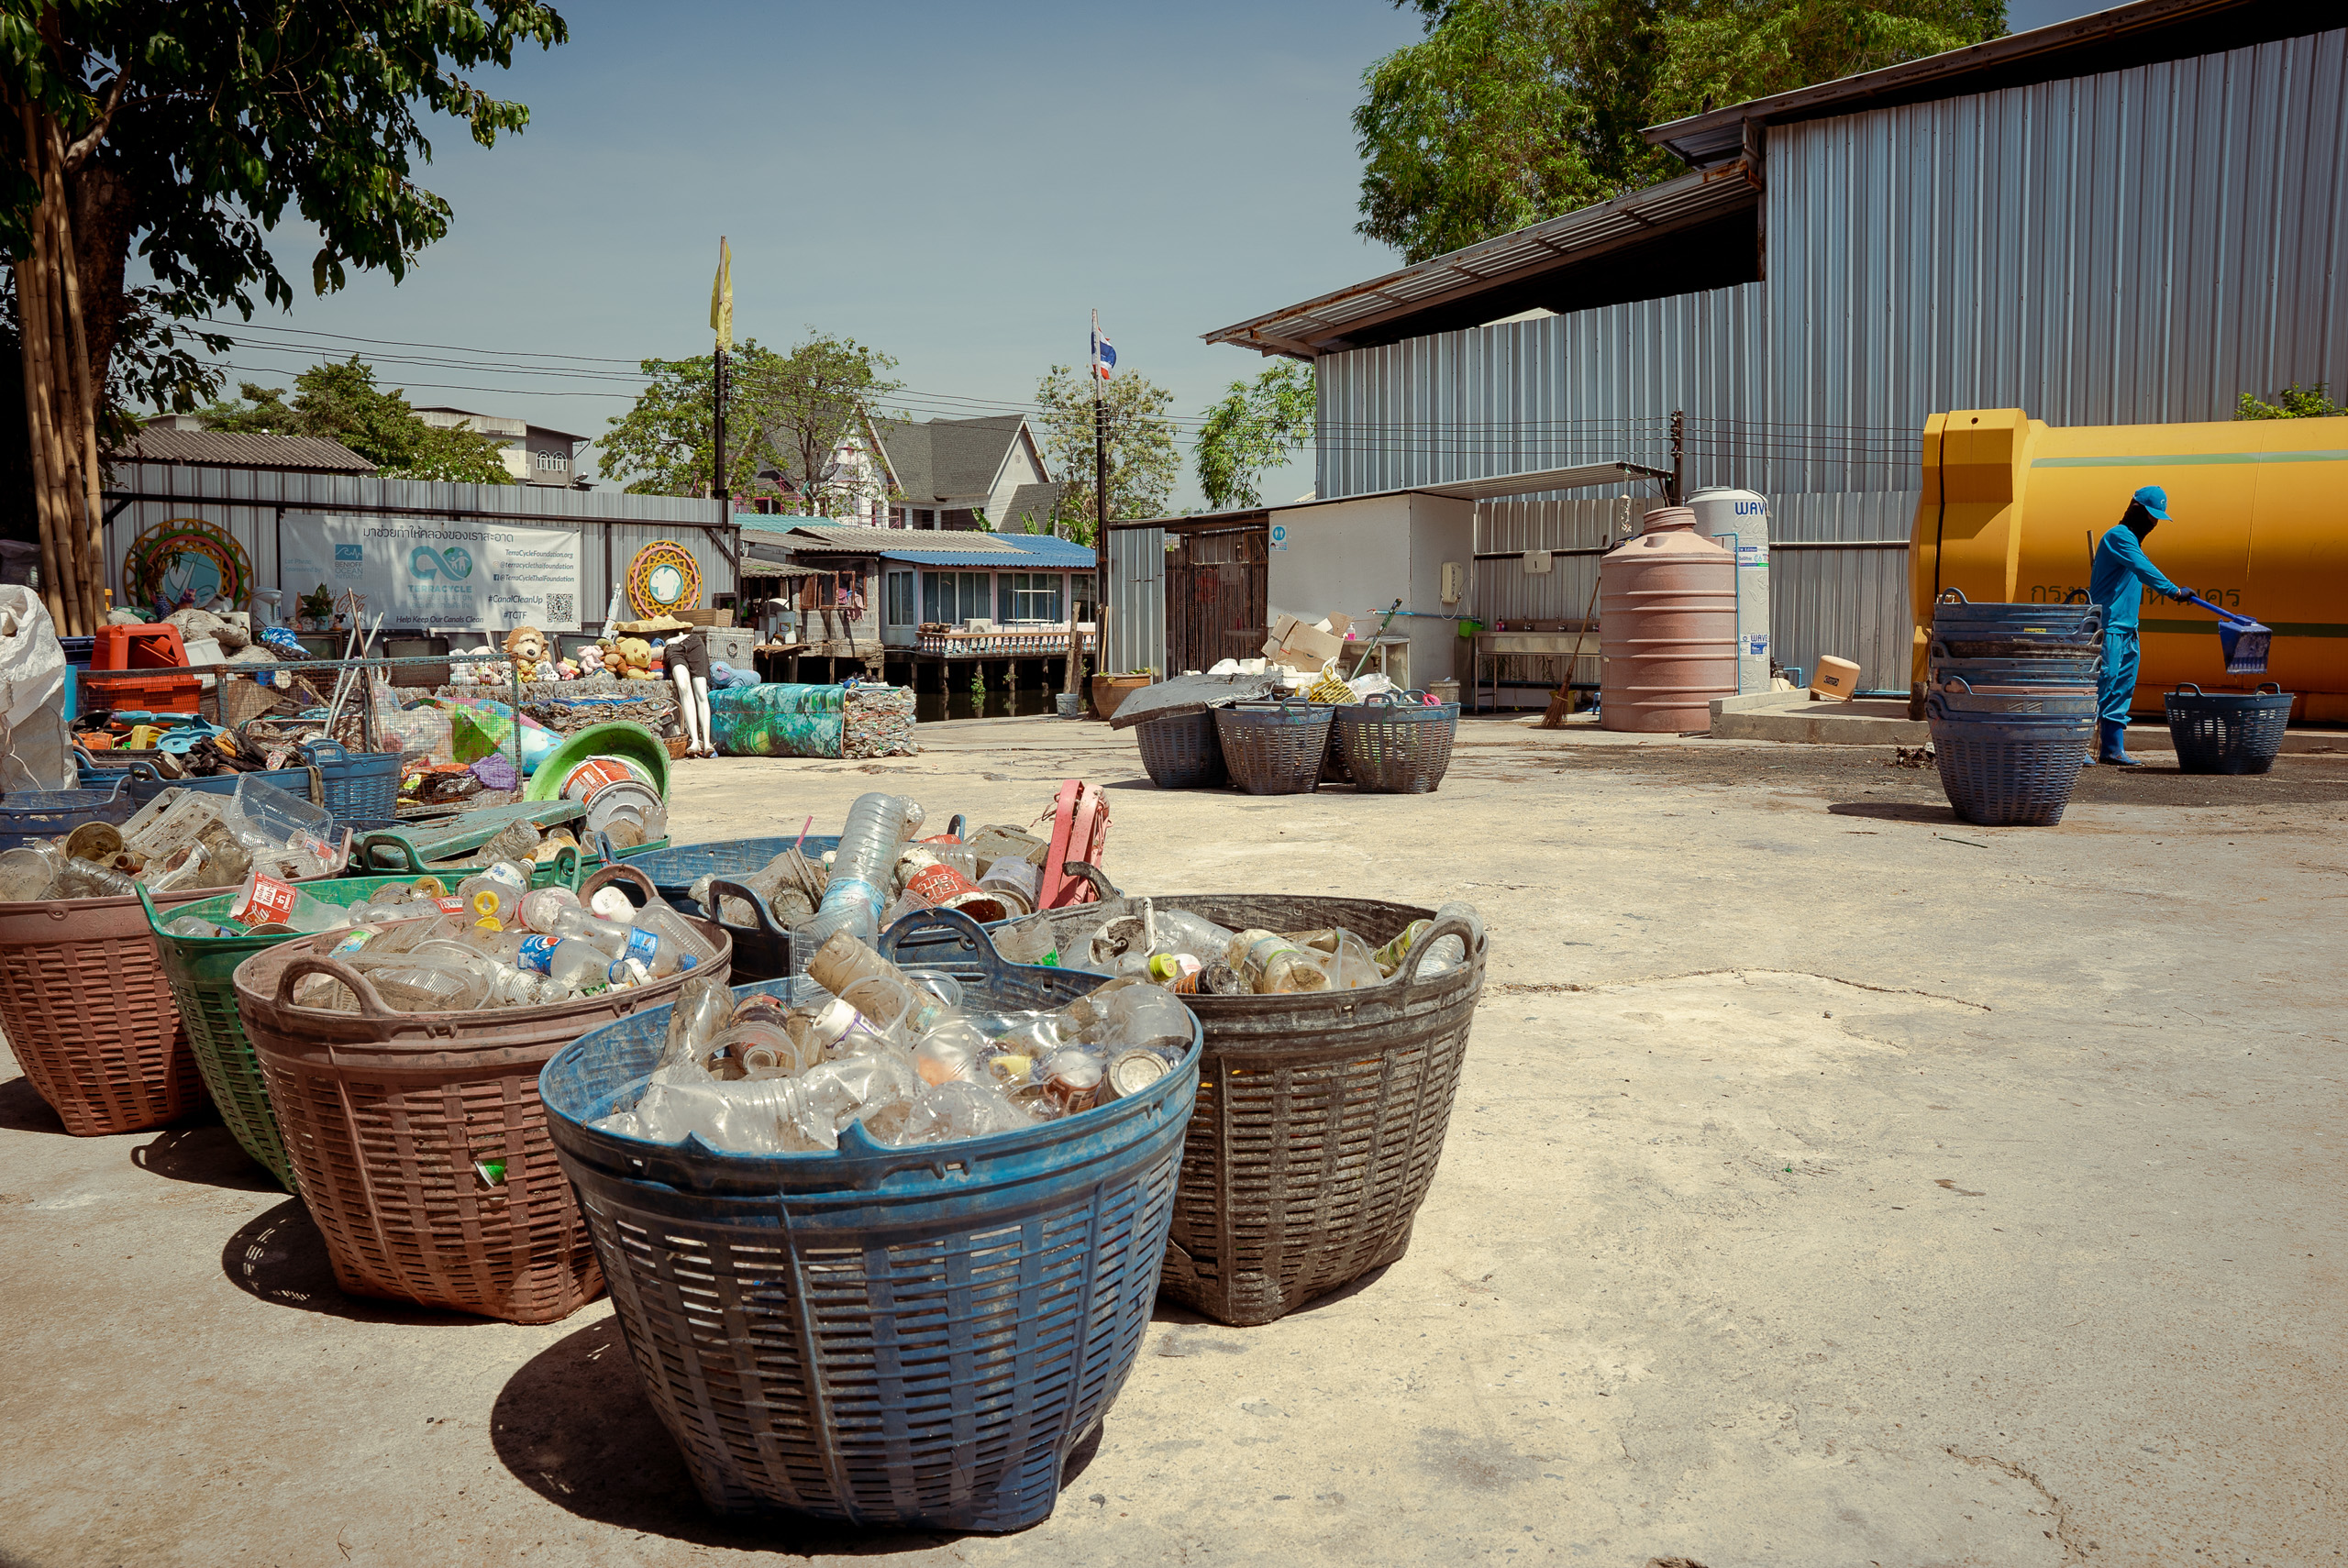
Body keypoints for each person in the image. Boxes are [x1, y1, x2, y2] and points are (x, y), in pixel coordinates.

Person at [2087, 484, 2190, 767]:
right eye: (2151, 515)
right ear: (2136, 511)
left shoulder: (2131, 540)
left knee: (2122, 687)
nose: (2154, 523)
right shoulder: (2118, 536)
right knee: (2100, 684)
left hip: (2129, 628)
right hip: (2108, 628)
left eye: (2158, 517)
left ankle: (2112, 749)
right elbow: (2144, 569)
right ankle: (2078, 745)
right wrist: (2174, 591)